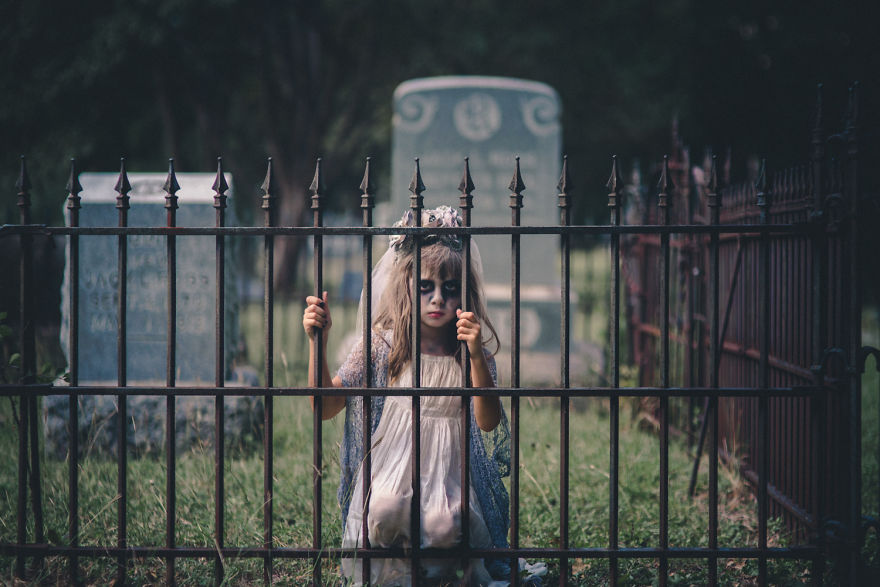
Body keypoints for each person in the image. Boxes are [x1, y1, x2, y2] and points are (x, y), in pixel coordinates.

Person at [303, 206, 511, 586]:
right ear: (407, 285)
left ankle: (438, 573)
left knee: (445, 525)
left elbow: (488, 421)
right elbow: (325, 406)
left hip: (448, 468)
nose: (437, 300)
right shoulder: (383, 346)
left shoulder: (470, 353)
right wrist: (320, 342)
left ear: (464, 293)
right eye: (426, 287)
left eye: (450, 290)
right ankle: (397, 570)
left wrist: (477, 356)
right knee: (386, 510)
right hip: (393, 463)